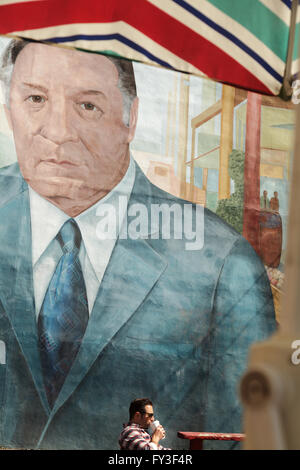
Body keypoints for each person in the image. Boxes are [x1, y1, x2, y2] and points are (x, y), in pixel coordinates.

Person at [0, 39, 276, 450]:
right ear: (10, 111)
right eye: (35, 98)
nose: (57, 132)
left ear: (131, 120)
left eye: (87, 106)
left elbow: (250, 437)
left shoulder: (221, 264)